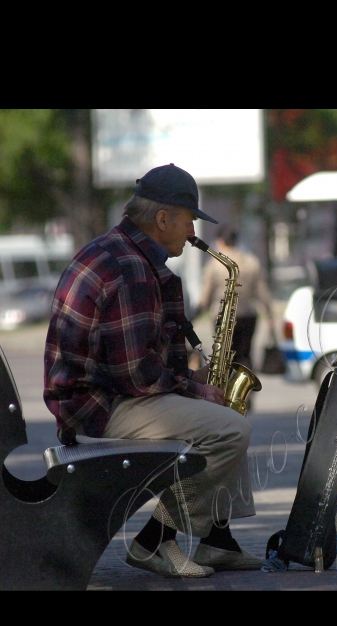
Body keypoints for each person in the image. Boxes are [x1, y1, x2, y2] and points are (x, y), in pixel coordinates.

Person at [44, 163, 264, 579]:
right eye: (188, 220)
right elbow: (137, 376)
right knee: (229, 429)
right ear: (162, 219)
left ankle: (216, 540)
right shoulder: (129, 267)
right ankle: (154, 541)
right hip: (99, 407)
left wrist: (193, 380)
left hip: (102, 394)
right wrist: (194, 391)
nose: (193, 231)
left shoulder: (123, 252)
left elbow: (138, 361)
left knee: (226, 415)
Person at [197, 224, 275, 373]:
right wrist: (270, 314)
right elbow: (262, 292)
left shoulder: (214, 264)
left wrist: (197, 312)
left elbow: (205, 296)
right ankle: (245, 393)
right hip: (248, 315)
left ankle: (226, 391)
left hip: (222, 316)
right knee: (245, 355)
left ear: (220, 241)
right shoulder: (252, 261)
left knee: (223, 357)